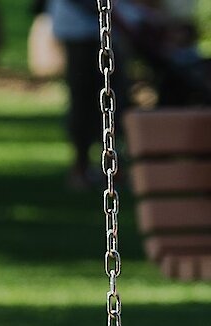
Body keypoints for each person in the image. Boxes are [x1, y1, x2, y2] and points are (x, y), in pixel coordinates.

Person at [45, 0, 126, 188]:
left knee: (112, 102)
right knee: (84, 101)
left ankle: (111, 165)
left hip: (101, 32)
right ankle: (80, 167)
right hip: (80, 31)